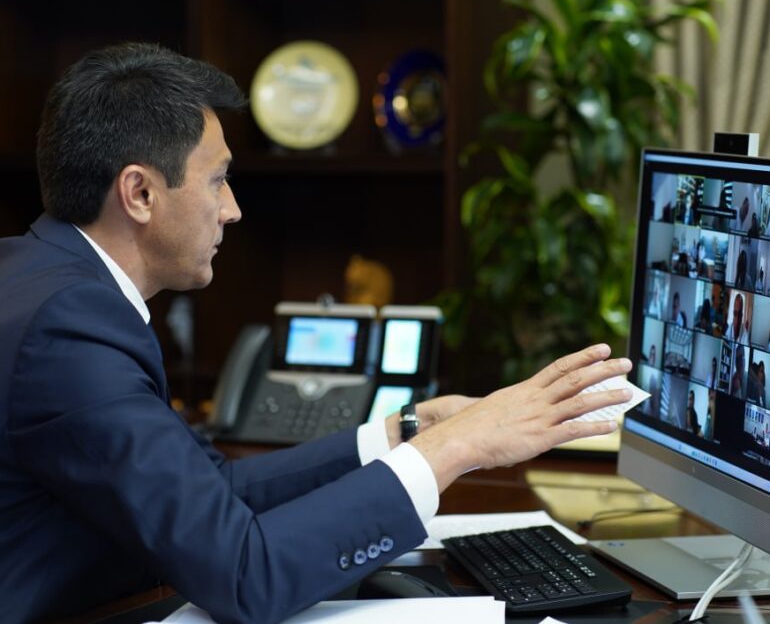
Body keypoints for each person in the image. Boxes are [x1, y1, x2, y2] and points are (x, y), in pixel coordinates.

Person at [0, 44, 632, 624]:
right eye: (218, 180)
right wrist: (454, 449)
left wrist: (402, 434)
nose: (232, 209)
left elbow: (213, 493)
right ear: (139, 193)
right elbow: (246, 576)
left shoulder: (37, 276)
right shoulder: (70, 331)